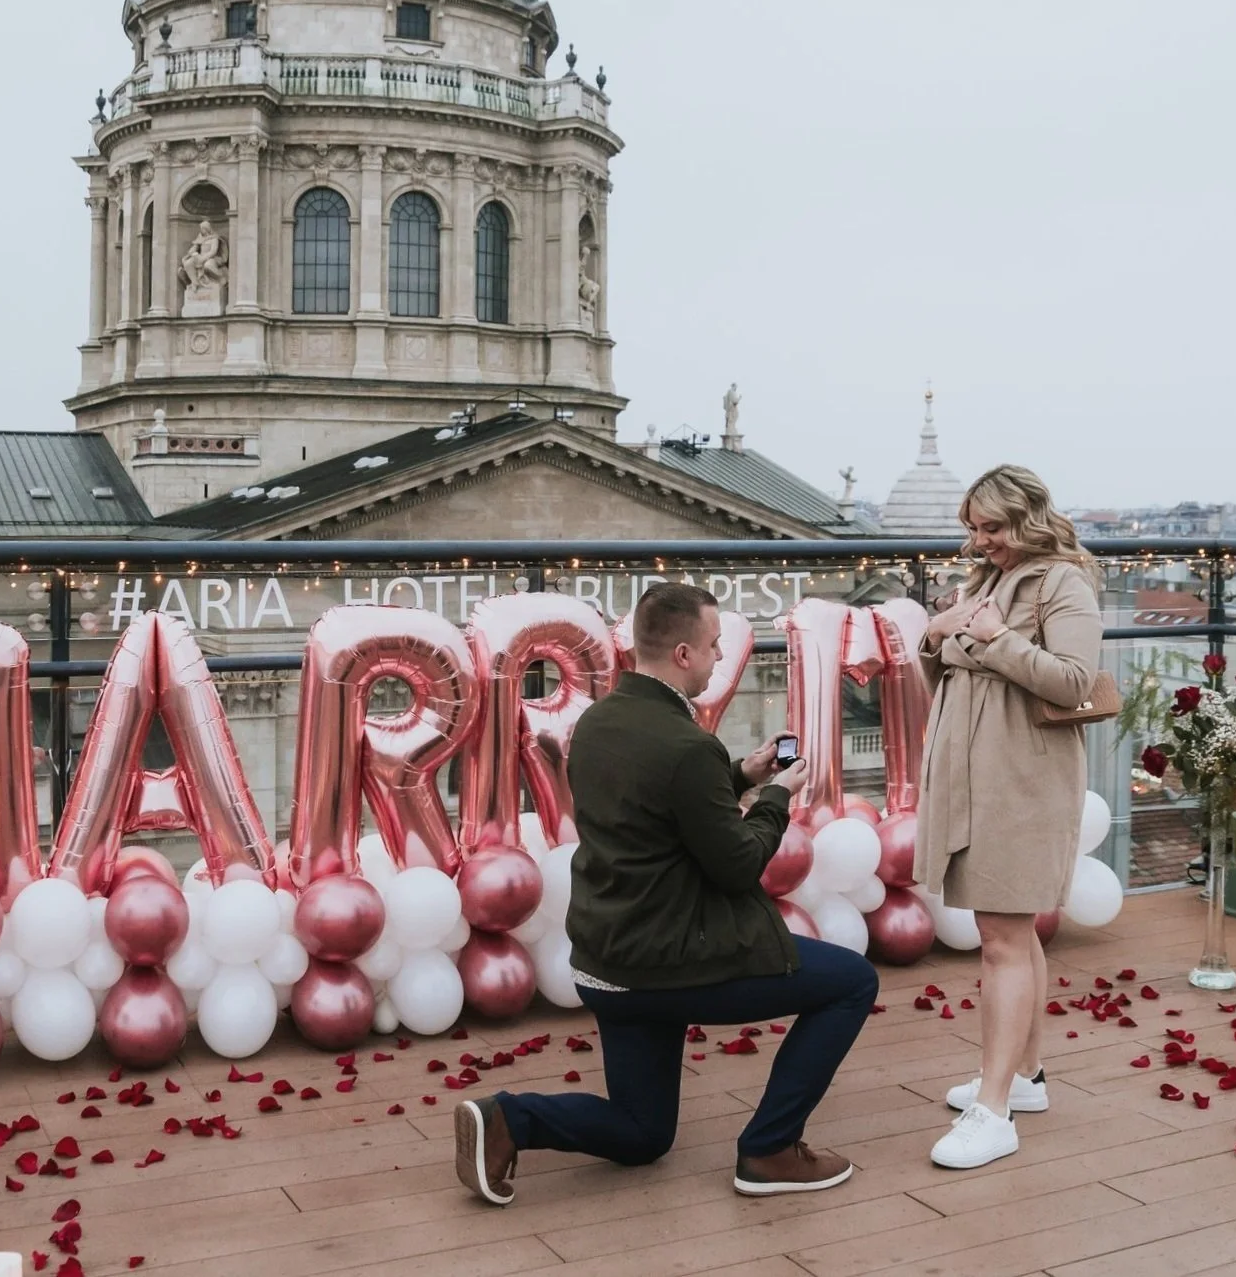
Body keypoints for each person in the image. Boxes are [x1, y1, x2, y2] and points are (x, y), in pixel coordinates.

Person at [455, 582, 880, 1205]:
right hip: (670, 960)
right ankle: (770, 1148)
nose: (715, 660)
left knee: (643, 1133)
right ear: (682, 653)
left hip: (606, 961)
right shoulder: (687, 745)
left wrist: (737, 774)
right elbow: (739, 866)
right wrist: (777, 797)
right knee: (851, 982)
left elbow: (655, 804)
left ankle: (508, 1119)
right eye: (712, 647)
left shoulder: (598, 721)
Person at [916, 464, 1103, 1170]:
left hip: (1023, 778)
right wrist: (934, 638)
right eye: (972, 527)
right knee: (1014, 930)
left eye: (990, 527)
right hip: (978, 775)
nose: (978, 540)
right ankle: (1024, 1079)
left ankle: (992, 1109)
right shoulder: (988, 581)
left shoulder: (1064, 581)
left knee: (1000, 934)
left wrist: (995, 639)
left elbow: (1076, 681)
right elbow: (946, 680)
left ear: (1026, 518)